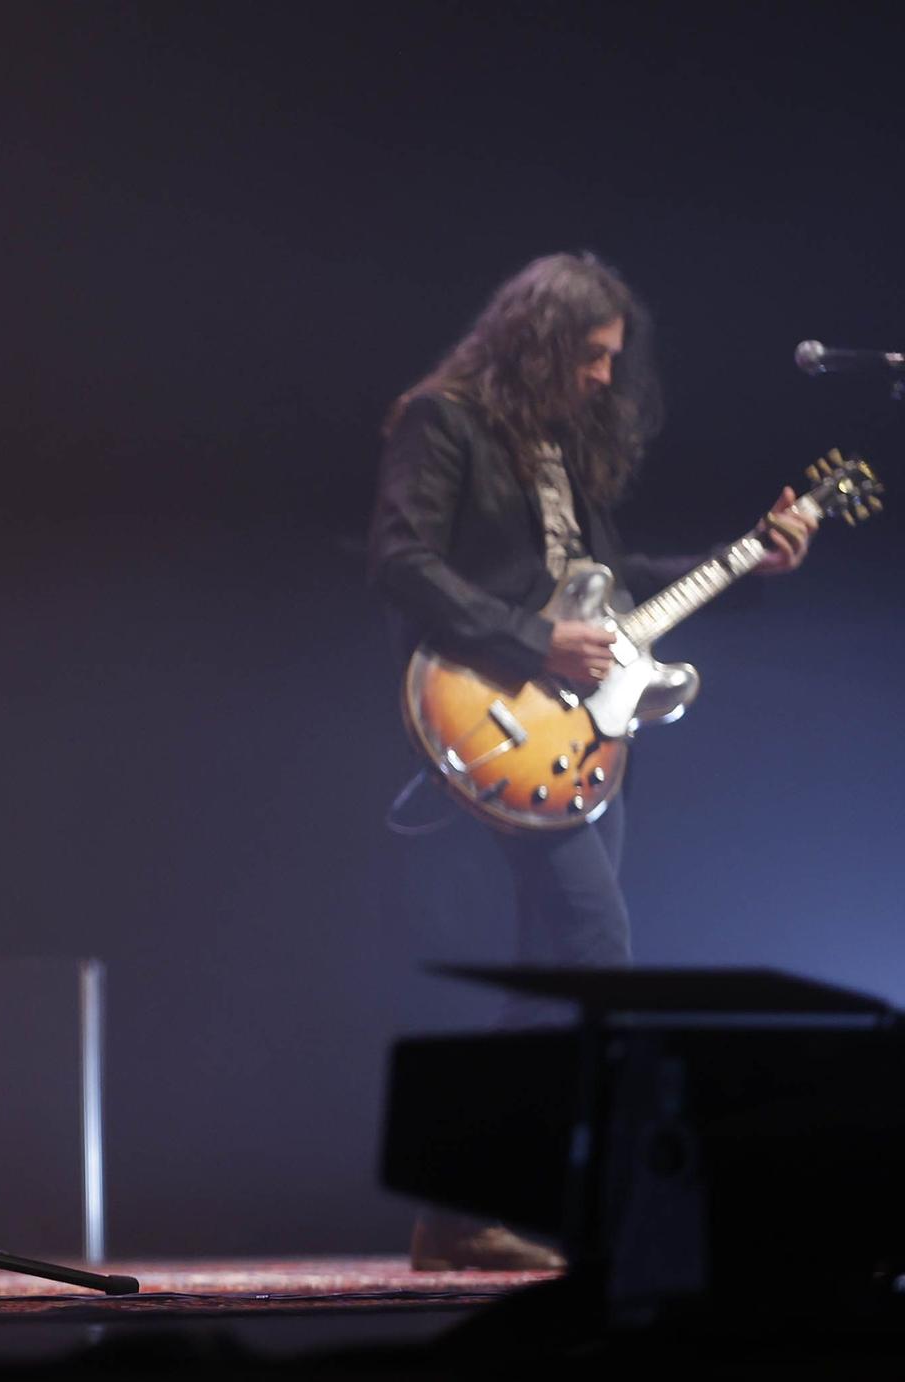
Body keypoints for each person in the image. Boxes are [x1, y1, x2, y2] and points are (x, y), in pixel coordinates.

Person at [367, 251, 815, 1270]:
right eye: (591, 357)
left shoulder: (559, 448)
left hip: (581, 732)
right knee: (594, 953)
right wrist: (534, 644)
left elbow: (608, 595)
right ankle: (476, 1200)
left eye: (614, 360)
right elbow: (398, 561)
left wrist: (750, 554)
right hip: (499, 711)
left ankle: (457, 1209)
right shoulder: (441, 420)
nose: (606, 377)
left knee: (565, 966)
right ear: (536, 342)